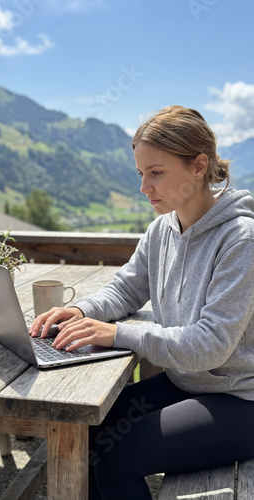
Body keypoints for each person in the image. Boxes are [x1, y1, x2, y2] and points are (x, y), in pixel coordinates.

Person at [30, 105, 254, 500]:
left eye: (157, 172)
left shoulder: (240, 239)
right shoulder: (161, 230)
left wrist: (119, 333)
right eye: (141, 173)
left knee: (120, 456)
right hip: (187, 383)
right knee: (88, 429)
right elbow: (126, 290)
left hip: (239, 399)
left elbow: (211, 346)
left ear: (199, 166)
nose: (144, 187)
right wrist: (81, 310)